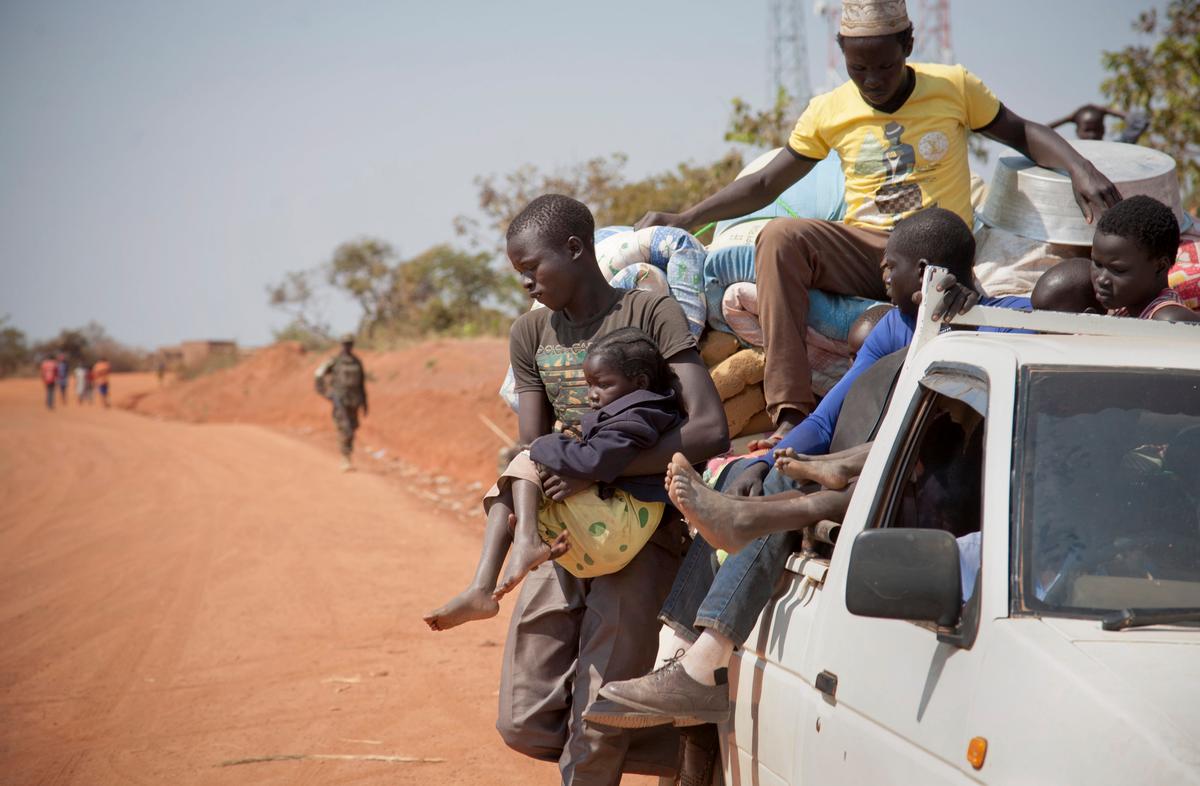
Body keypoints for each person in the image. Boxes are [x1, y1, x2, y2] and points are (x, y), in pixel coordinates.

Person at [589, 207, 1033, 730]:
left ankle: (699, 669)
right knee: (744, 478)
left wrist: (967, 317)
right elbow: (827, 418)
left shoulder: (1006, 317)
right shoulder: (897, 326)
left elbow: (1061, 321)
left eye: (890, 266)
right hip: (882, 472)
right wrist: (762, 460)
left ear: (925, 271)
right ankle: (681, 658)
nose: (882, 274)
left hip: (947, 490)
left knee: (780, 487)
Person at [634, 0, 1118, 448]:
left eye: (884, 66)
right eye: (858, 68)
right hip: (868, 248)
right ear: (842, 53)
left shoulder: (953, 86)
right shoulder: (829, 110)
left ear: (908, 44)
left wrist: (1081, 169)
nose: (872, 80)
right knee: (779, 237)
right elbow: (764, 183)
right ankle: (790, 412)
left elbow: (1023, 131)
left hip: (936, 246)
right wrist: (687, 217)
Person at [464, 195, 727, 784]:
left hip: (640, 530)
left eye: (532, 267)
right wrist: (571, 473)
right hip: (562, 531)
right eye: (518, 272)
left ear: (575, 249)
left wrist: (601, 469)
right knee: (522, 720)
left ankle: (613, 750)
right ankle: (685, 746)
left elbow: (709, 428)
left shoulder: (649, 311)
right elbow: (533, 443)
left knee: (599, 717)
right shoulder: (530, 331)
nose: (526, 282)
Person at [426, 328, 684, 631]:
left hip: (619, 528)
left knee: (527, 460)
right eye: (589, 385)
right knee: (516, 486)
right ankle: (499, 570)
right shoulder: (643, 412)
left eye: (603, 385)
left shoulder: (634, 418)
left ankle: (514, 554)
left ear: (640, 383)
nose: (592, 395)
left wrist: (542, 444)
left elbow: (593, 459)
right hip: (608, 536)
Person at [314, 334, 368, 471]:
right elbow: (319, 374)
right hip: (340, 401)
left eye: (350, 344)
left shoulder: (357, 362)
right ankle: (345, 457)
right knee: (345, 428)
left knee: (353, 427)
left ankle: (347, 454)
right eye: (345, 344)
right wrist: (325, 393)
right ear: (342, 345)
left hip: (354, 401)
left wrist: (365, 403)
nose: (348, 346)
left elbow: (361, 384)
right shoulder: (334, 361)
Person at [1049, 103, 1150, 144]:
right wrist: (1069, 118)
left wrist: (1107, 110)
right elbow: (1039, 137)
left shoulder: (1116, 150)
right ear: (1077, 131)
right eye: (1087, 130)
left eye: (1097, 129)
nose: (1092, 135)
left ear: (1103, 129)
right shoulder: (1068, 154)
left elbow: (1140, 122)